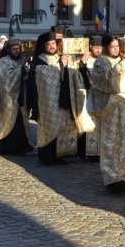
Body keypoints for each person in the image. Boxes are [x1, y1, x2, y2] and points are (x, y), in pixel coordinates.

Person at [92, 34, 125, 193]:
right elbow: (108, 82)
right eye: (113, 47)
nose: (116, 49)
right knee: (112, 143)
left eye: (117, 46)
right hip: (111, 110)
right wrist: (123, 63)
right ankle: (112, 178)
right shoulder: (101, 62)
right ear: (106, 48)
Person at [33, 32, 79, 165]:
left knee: (63, 125)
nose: (52, 46)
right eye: (48, 44)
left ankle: (60, 154)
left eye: (53, 43)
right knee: (50, 126)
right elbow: (43, 75)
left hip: (63, 97)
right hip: (48, 101)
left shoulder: (60, 57)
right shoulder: (40, 59)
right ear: (44, 46)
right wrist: (60, 65)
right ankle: (47, 157)